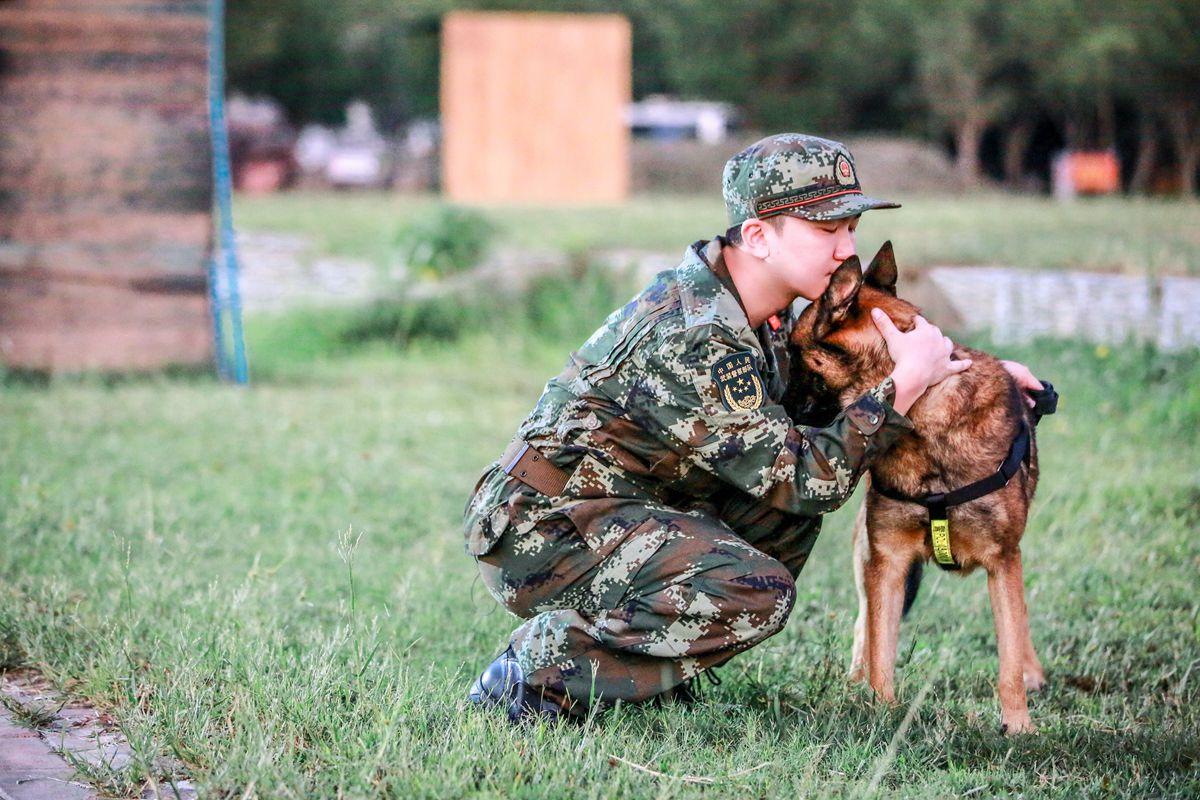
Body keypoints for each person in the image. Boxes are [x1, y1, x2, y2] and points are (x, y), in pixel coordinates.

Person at [463, 133, 1043, 723]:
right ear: (759, 235)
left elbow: (818, 413)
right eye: (825, 230)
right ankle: (533, 674)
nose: (847, 251)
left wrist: (978, 377)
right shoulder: (696, 332)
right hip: (539, 529)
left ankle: (646, 670)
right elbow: (807, 477)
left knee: (783, 521)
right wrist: (899, 391)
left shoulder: (762, 315)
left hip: (629, 505)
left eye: (850, 229)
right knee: (755, 590)